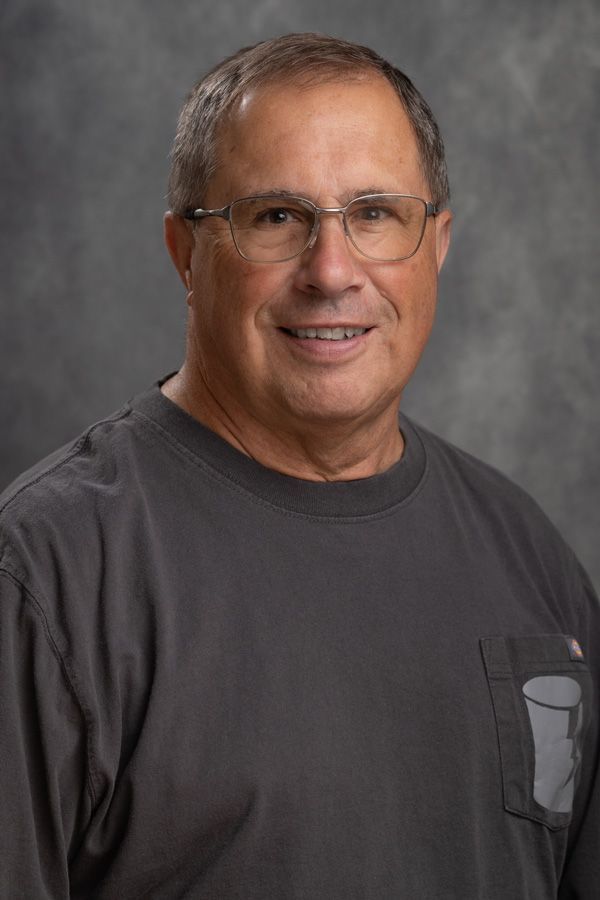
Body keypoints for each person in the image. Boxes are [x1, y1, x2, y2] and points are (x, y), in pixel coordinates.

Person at [0, 33, 597, 899]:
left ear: (437, 246)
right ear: (185, 255)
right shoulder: (48, 578)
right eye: (275, 216)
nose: (331, 270)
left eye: (375, 214)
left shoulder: (531, 563)